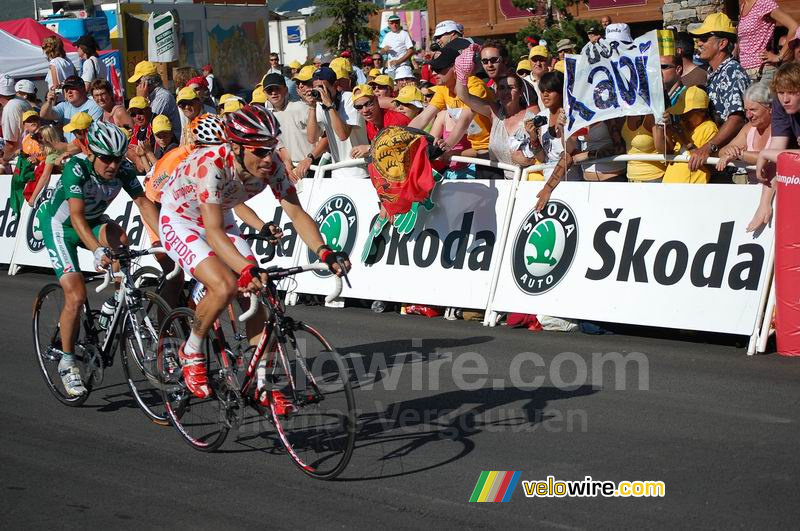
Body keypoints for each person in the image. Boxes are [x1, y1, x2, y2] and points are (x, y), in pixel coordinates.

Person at [158, 106, 350, 403]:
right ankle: (191, 350)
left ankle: (262, 384)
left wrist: (324, 251)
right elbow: (212, 231)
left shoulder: (271, 166)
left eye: (272, 149)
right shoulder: (213, 166)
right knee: (224, 285)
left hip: (221, 219)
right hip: (182, 220)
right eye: (260, 151)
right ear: (235, 147)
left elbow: (296, 214)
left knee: (258, 293)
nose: (267, 158)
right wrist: (244, 270)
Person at [36, 121, 160, 396]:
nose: (113, 165)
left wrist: (165, 238)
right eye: (106, 158)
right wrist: (96, 250)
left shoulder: (123, 169)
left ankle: (114, 304)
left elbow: (142, 203)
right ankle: (67, 362)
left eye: (117, 158)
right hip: (61, 226)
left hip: (91, 221)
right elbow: (76, 217)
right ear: (91, 153)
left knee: (122, 241)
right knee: (76, 294)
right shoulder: (76, 168)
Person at [688, 14, 750, 173]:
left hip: (733, 165)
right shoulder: (712, 72)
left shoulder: (732, 72)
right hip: (719, 161)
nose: (699, 43)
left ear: (722, 43)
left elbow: (736, 118)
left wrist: (708, 147)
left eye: (704, 38)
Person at [409, 43, 494, 159]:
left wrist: (447, 144)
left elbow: (466, 118)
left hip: (494, 149)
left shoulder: (475, 86)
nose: (433, 73)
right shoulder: (443, 88)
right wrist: (403, 135)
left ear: (455, 67)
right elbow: (423, 117)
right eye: (433, 69)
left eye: (439, 69)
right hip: (477, 150)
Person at [754, 63, 800, 231]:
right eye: (781, 93)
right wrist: (764, 203)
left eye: (792, 92)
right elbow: (776, 152)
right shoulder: (782, 105)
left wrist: (765, 154)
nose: (785, 99)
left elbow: (773, 154)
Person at [306, 67, 369, 178]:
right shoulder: (320, 105)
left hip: (358, 171)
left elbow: (343, 135)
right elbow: (312, 138)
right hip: (337, 171)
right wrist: (312, 107)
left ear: (335, 85)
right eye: (316, 88)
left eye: (322, 87)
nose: (320, 91)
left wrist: (330, 105)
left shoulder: (349, 98)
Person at [260, 73, 319, 182]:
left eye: (277, 89)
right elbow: (281, 147)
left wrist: (309, 158)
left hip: (313, 166)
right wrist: (286, 163)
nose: (273, 93)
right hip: (294, 171)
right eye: (269, 90)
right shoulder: (270, 117)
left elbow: (324, 137)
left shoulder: (300, 107)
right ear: (265, 94)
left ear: (285, 90)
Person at [716, 82, 773, 183]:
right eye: (746, 110)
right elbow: (721, 152)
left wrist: (739, 154)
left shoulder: (780, 128)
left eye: (753, 110)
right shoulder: (749, 128)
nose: (748, 115)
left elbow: (769, 157)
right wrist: (730, 151)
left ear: (770, 108)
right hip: (751, 191)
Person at [662, 86, 719, 184]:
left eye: (686, 114)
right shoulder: (683, 128)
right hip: (671, 190)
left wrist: (686, 141)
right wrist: (666, 130)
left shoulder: (709, 128)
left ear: (702, 112)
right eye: (680, 114)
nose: (682, 118)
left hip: (689, 192)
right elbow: (668, 152)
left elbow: (713, 168)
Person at [737, 0, 798, 81]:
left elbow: (794, 26)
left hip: (761, 71)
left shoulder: (763, 2)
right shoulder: (743, 6)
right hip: (745, 72)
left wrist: (779, 57)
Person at [349, 84, 411, 159]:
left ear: (377, 101)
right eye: (359, 107)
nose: (365, 110)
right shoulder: (369, 125)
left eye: (369, 104)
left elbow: (399, 148)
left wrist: (370, 149)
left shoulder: (396, 120)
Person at [39, 75, 103, 142]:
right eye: (66, 89)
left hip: (86, 150)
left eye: (72, 88)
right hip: (71, 150)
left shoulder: (94, 107)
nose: (69, 92)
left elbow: (92, 135)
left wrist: (66, 148)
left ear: (83, 89)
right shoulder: (64, 106)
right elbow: (43, 115)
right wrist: (49, 101)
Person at [128, 60, 181, 139]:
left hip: (170, 143)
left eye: (138, 82)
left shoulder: (163, 97)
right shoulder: (150, 96)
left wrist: (141, 99)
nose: (136, 85)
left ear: (149, 82)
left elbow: (149, 122)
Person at [0, 74, 33, 172]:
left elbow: (11, 144)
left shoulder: (10, 107)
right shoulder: (21, 101)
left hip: (19, 162)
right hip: (27, 156)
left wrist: (4, 159)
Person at [623, 112, 666, 183]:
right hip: (631, 178)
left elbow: (661, 148)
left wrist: (660, 125)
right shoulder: (626, 112)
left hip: (653, 178)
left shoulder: (652, 115)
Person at [127, 96, 154, 173]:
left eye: (140, 112)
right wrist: (137, 159)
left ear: (149, 110)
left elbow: (154, 155)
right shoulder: (137, 127)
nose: (137, 117)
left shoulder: (155, 124)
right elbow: (129, 150)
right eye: (133, 114)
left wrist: (140, 157)